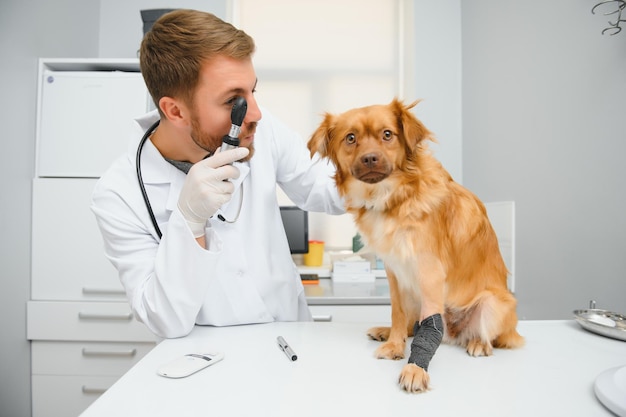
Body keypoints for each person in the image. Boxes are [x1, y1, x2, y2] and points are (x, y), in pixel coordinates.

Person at [91, 9, 344, 339]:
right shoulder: (119, 193)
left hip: (289, 338)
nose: (254, 112)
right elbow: (164, 318)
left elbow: (322, 187)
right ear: (175, 110)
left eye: (254, 91)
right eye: (233, 101)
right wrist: (189, 220)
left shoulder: (259, 129)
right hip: (207, 359)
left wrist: (387, 173)